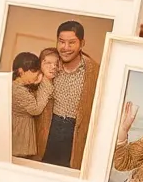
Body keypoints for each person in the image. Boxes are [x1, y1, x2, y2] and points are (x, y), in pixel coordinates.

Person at [36, 22, 100, 170]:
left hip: (76, 132)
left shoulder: (94, 71)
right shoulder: (49, 64)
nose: (65, 47)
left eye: (71, 42)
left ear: (82, 43)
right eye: (61, 41)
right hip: (49, 127)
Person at [11, 52, 53, 158]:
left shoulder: (17, 85)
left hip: (18, 131)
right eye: (34, 71)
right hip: (19, 135)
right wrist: (46, 80)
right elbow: (36, 109)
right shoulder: (18, 90)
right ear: (21, 71)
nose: (37, 74)